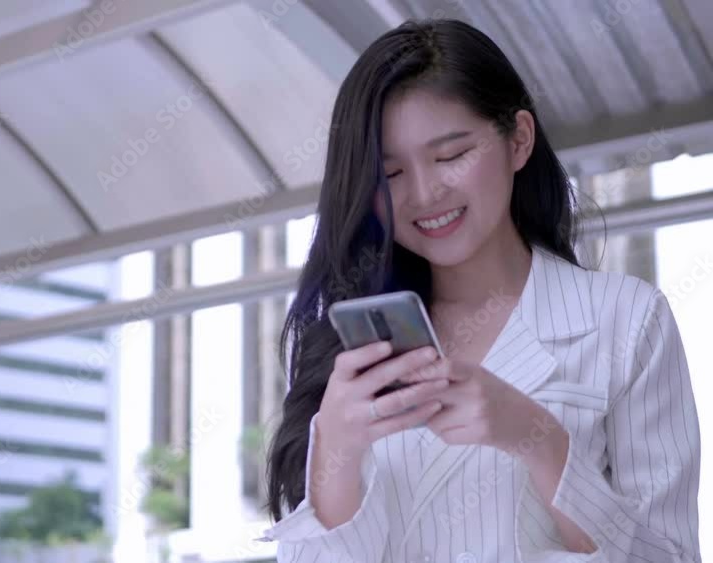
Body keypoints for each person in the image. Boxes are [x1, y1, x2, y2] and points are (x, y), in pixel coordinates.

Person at [257, 18, 701, 563]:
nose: (425, 194)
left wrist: (538, 437)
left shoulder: (627, 319)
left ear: (519, 140)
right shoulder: (349, 350)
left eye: (451, 156)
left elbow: (669, 557)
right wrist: (334, 452)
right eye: (390, 174)